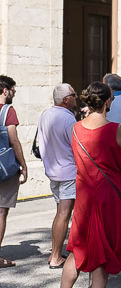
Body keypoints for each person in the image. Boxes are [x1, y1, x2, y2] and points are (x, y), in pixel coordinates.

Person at [52, 81, 121, 288]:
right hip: (108, 197)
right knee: (102, 250)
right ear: (108, 101)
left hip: (84, 195)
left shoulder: (76, 129)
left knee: (77, 248)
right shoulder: (116, 130)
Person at [36, 83, 78, 268]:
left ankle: (56, 252)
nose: (77, 97)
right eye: (74, 95)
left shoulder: (45, 115)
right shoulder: (68, 118)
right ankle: (55, 257)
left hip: (53, 170)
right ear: (66, 99)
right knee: (64, 213)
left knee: (61, 213)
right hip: (68, 171)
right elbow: (76, 146)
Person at [0, 75, 27, 267]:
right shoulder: (7, 111)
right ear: (4, 90)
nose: (14, 92)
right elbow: (14, 140)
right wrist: (23, 165)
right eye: (12, 89)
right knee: (1, 211)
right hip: (4, 170)